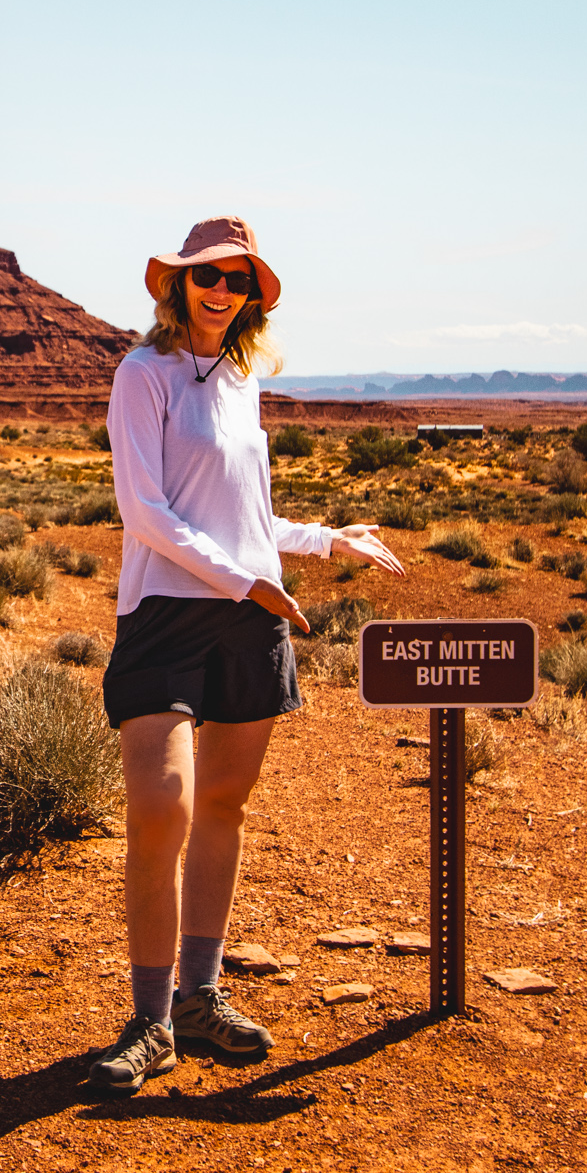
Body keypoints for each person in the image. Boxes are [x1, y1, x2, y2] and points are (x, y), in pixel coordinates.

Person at [87, 215, 405, 1095]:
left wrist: (322, 541)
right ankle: (148, 1022)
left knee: (222, 808)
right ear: (178, 285)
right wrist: (247, 583)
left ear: (254, 296)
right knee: (163, 808)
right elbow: (147, 512)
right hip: (168, 616)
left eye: (238, 279)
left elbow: (246, 516)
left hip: (246, 615)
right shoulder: (143, 374)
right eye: (207, 276)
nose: (222, 291)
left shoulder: (238, 381)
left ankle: (200, 997)